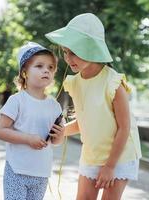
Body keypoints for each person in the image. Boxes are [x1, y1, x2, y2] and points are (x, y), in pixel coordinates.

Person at [45, 13, 142, 200]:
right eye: (65, 52)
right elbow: (85, 122)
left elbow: (124, 127)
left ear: (91, 49)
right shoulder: (75, 82)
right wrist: (61, 131)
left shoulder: (113, 83)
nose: (68, 58)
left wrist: (110, 166)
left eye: (73, 52)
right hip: (92, 153)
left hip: (119, 156)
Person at [0, 42, 65, 200]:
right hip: (17, 170)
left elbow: (56, 141)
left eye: (51, 67)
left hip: (41, 173)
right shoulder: (17, 100)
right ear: (24, 71)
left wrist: (60, 135)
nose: (46, 70)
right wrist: (28, 139)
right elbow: (0, 131)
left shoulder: (55, 106)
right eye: (39, 66)